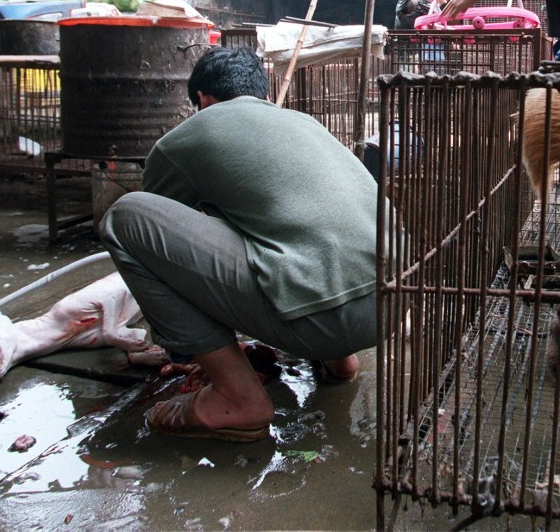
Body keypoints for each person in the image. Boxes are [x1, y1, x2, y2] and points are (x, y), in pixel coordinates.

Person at [99, 47, 379, 442]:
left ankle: (236, 396)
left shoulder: (187, 137)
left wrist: (188, 348)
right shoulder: (306, 123)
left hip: (320, 321)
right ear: (263, 95)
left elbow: (164, 252)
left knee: (127, 217)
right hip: (393, 305)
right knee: (297, 225)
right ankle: (340, 362)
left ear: (203, 100)